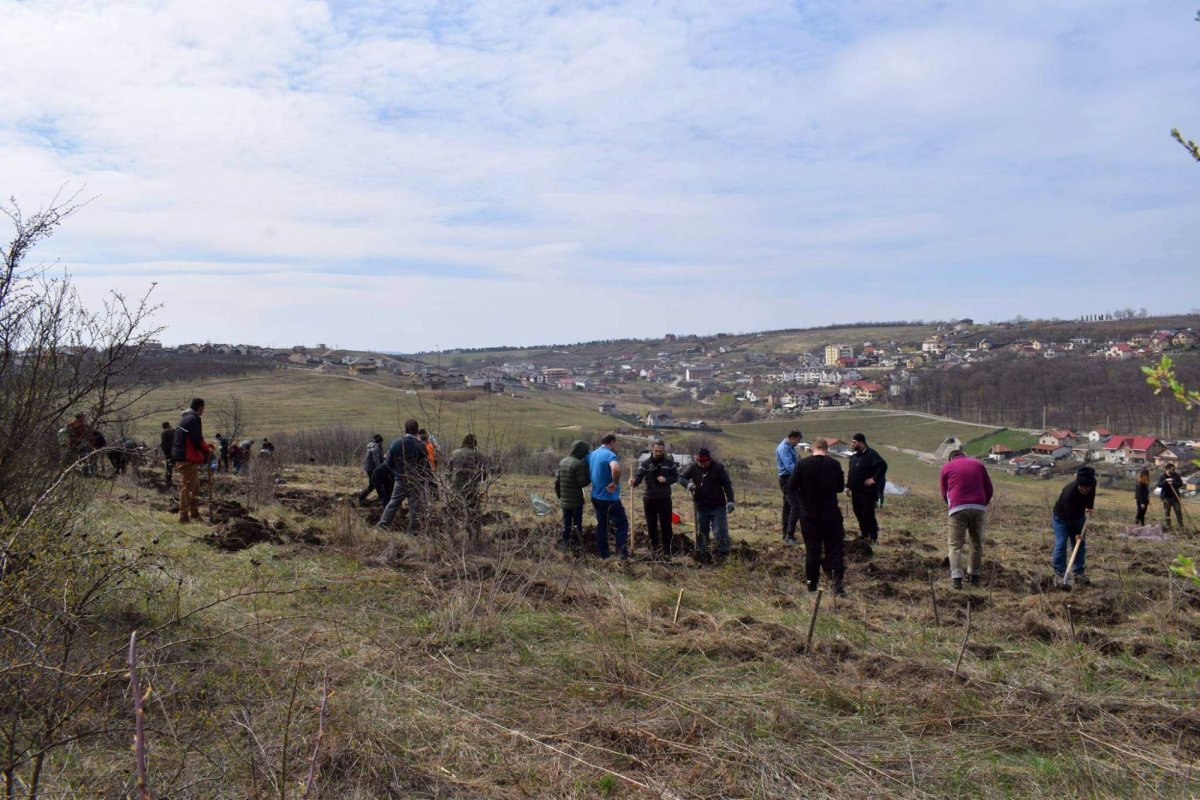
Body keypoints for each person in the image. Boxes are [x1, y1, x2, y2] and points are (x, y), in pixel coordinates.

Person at [787, 438, 846, 594]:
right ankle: (837, 585)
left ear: (812, 449)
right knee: (834, 549)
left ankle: (811, 585)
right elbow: (840, 488)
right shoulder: (834, 464)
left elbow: (790, 486)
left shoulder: (802, 464)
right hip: (830, 513)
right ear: (826, 449)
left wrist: (800, 501)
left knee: (812, 550)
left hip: (809, 514)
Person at [939, 449, 994, 589]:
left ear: (951, 459)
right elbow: (989, 488)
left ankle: (957, 579)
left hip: (958, 508)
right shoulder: (979, 464)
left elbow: (944, 492)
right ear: (964, 455)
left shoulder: (946, 467)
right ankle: (974, 576)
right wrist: (982, 504)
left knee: (955, 545)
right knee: (976, 543)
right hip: (978, 506)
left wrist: (952, 506)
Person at [680, 447, 735, 563]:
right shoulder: (693, 467)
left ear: (709, 460)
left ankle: (723, 555)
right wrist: (688, 484)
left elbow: (727, 484)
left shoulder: (718, 468)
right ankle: (703, 555)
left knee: (720, 530)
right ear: (697, 460)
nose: (703, 465)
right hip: (701, 506)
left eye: (705, 463)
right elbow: (681, 478)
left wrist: (730, 501)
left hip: (718, 505)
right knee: (702, 531)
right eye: (701, 463)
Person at [379, 420, 431, 531]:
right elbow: (426, 466)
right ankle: (412, 532)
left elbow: (389, 463)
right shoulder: (421, 445)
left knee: (393, 504)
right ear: (417, 430)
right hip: (416, 481)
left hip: (400, 479)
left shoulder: (396, 443)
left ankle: (382, 526)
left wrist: (398, 472)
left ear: (405, 429)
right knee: (414, 507)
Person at [630, 439, 679, 558]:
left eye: (660, 451)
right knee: (651, 526)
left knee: (666, 526)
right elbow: (638, 477)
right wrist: (633, 482)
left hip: (664, 499)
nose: (657, 453)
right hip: (649, 499)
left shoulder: (669, 463)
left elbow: (676, 477)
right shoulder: (645, 463)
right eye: (656, 450)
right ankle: (655, 551)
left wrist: (666, 480)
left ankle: (667, 551)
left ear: (663, 451)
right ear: (652, 450)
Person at [1052, 466, 1096, 586]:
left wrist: (1090, 506)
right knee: (1061, 544)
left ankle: (1078, 573)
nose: (1085, 491)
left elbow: (1091, 494)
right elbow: (1069, 517)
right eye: (1083, 489)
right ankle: (1059, 573)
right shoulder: (1069, 493)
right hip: (1062, 518)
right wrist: (1077, 533)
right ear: (1078, 484)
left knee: (1080, 545)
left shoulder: (1092, 483)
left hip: (1079, 517)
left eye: (1088, 488)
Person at [172, 398, 213, 524]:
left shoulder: (184, 418)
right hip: (187, 459)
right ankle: (183, 517)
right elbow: (196, 439)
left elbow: (193, 438)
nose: (203, 412)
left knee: (195, 488)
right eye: (203, 409)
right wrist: (207, 450)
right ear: (200, 408)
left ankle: (194, 514)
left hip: (183, 457)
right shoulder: (194, 419)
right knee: (188, 488)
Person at [588, 433, 629, 559]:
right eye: (615, 443)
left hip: (596, 497)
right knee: (622, 524)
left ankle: (604, 554)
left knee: (602, 525)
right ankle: (621, 553)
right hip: (610, 499)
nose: (616, 445)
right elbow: (616, 469)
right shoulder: (610, 455)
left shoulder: (592, 454)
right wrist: (614, 483)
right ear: (612, 442)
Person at [847, 433, 887, 543]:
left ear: (861, 442)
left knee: (868, 514)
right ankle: (864, 535)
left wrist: (874, 479)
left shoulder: (871, 454)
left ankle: (873, 538)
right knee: (858, 513)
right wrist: (848, 487)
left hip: (867, 493)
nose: (852, 444)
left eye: (854, 442)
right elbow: (851, 472)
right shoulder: (854, 456)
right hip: (855, 492)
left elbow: (882, 465)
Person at [449, 433, 489, 539]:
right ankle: (475, 535)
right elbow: (484, 475)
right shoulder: (481, 456)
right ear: (475, 443)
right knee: (475, 512)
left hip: (456, 488)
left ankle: (452, 533)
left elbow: (448, 471)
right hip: (473, 488)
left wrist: (450, 483)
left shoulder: (455, 453)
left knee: (455, 510)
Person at [554, 440, 591, 550]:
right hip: (576, 502)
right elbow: (582, 483)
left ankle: (565, 544)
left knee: (566, 523)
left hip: (564, 500)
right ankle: (577, 544)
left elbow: (557, 482)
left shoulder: (562, 461)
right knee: (577, 524)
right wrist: (589, 475)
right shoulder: (578, 464)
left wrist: (560, 496)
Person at [775, 430, 803, 544]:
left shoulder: (790, 447)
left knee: (787, 507)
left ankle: (785, 533)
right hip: (788, 479)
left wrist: (798, 461)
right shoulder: (784, 448)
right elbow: (790, 466)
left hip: (788, 478)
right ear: (792, 437)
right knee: (796, 507)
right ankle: (789, 535)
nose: (798, 443)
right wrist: (801, 473)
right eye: (797, 440)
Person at [357, 434, 386, 503]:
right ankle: (382, 498)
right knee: (375, 484)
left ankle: (381, 497)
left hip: (370, 468)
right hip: (371, 469)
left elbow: (378, 458)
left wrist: (384, 457)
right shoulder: (376, 448)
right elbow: (376, 460)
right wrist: (380, 469)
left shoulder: (374, 446)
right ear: (381, 441)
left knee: (374, 484)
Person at [1158, 463, 1185, 531]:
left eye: (1174, 469)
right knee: (1167, 512)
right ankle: (1168, 525)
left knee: (1178, 512)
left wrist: (1173, 482)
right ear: (1168, 469)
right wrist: (1166, 481)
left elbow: (1180, 484)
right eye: (1173, 469)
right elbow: (1159, 485)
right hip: (1166, 498)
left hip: (1175, 498)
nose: (1174, 470)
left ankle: (1181, 526)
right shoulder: (1162, 476)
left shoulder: (1176, 475)